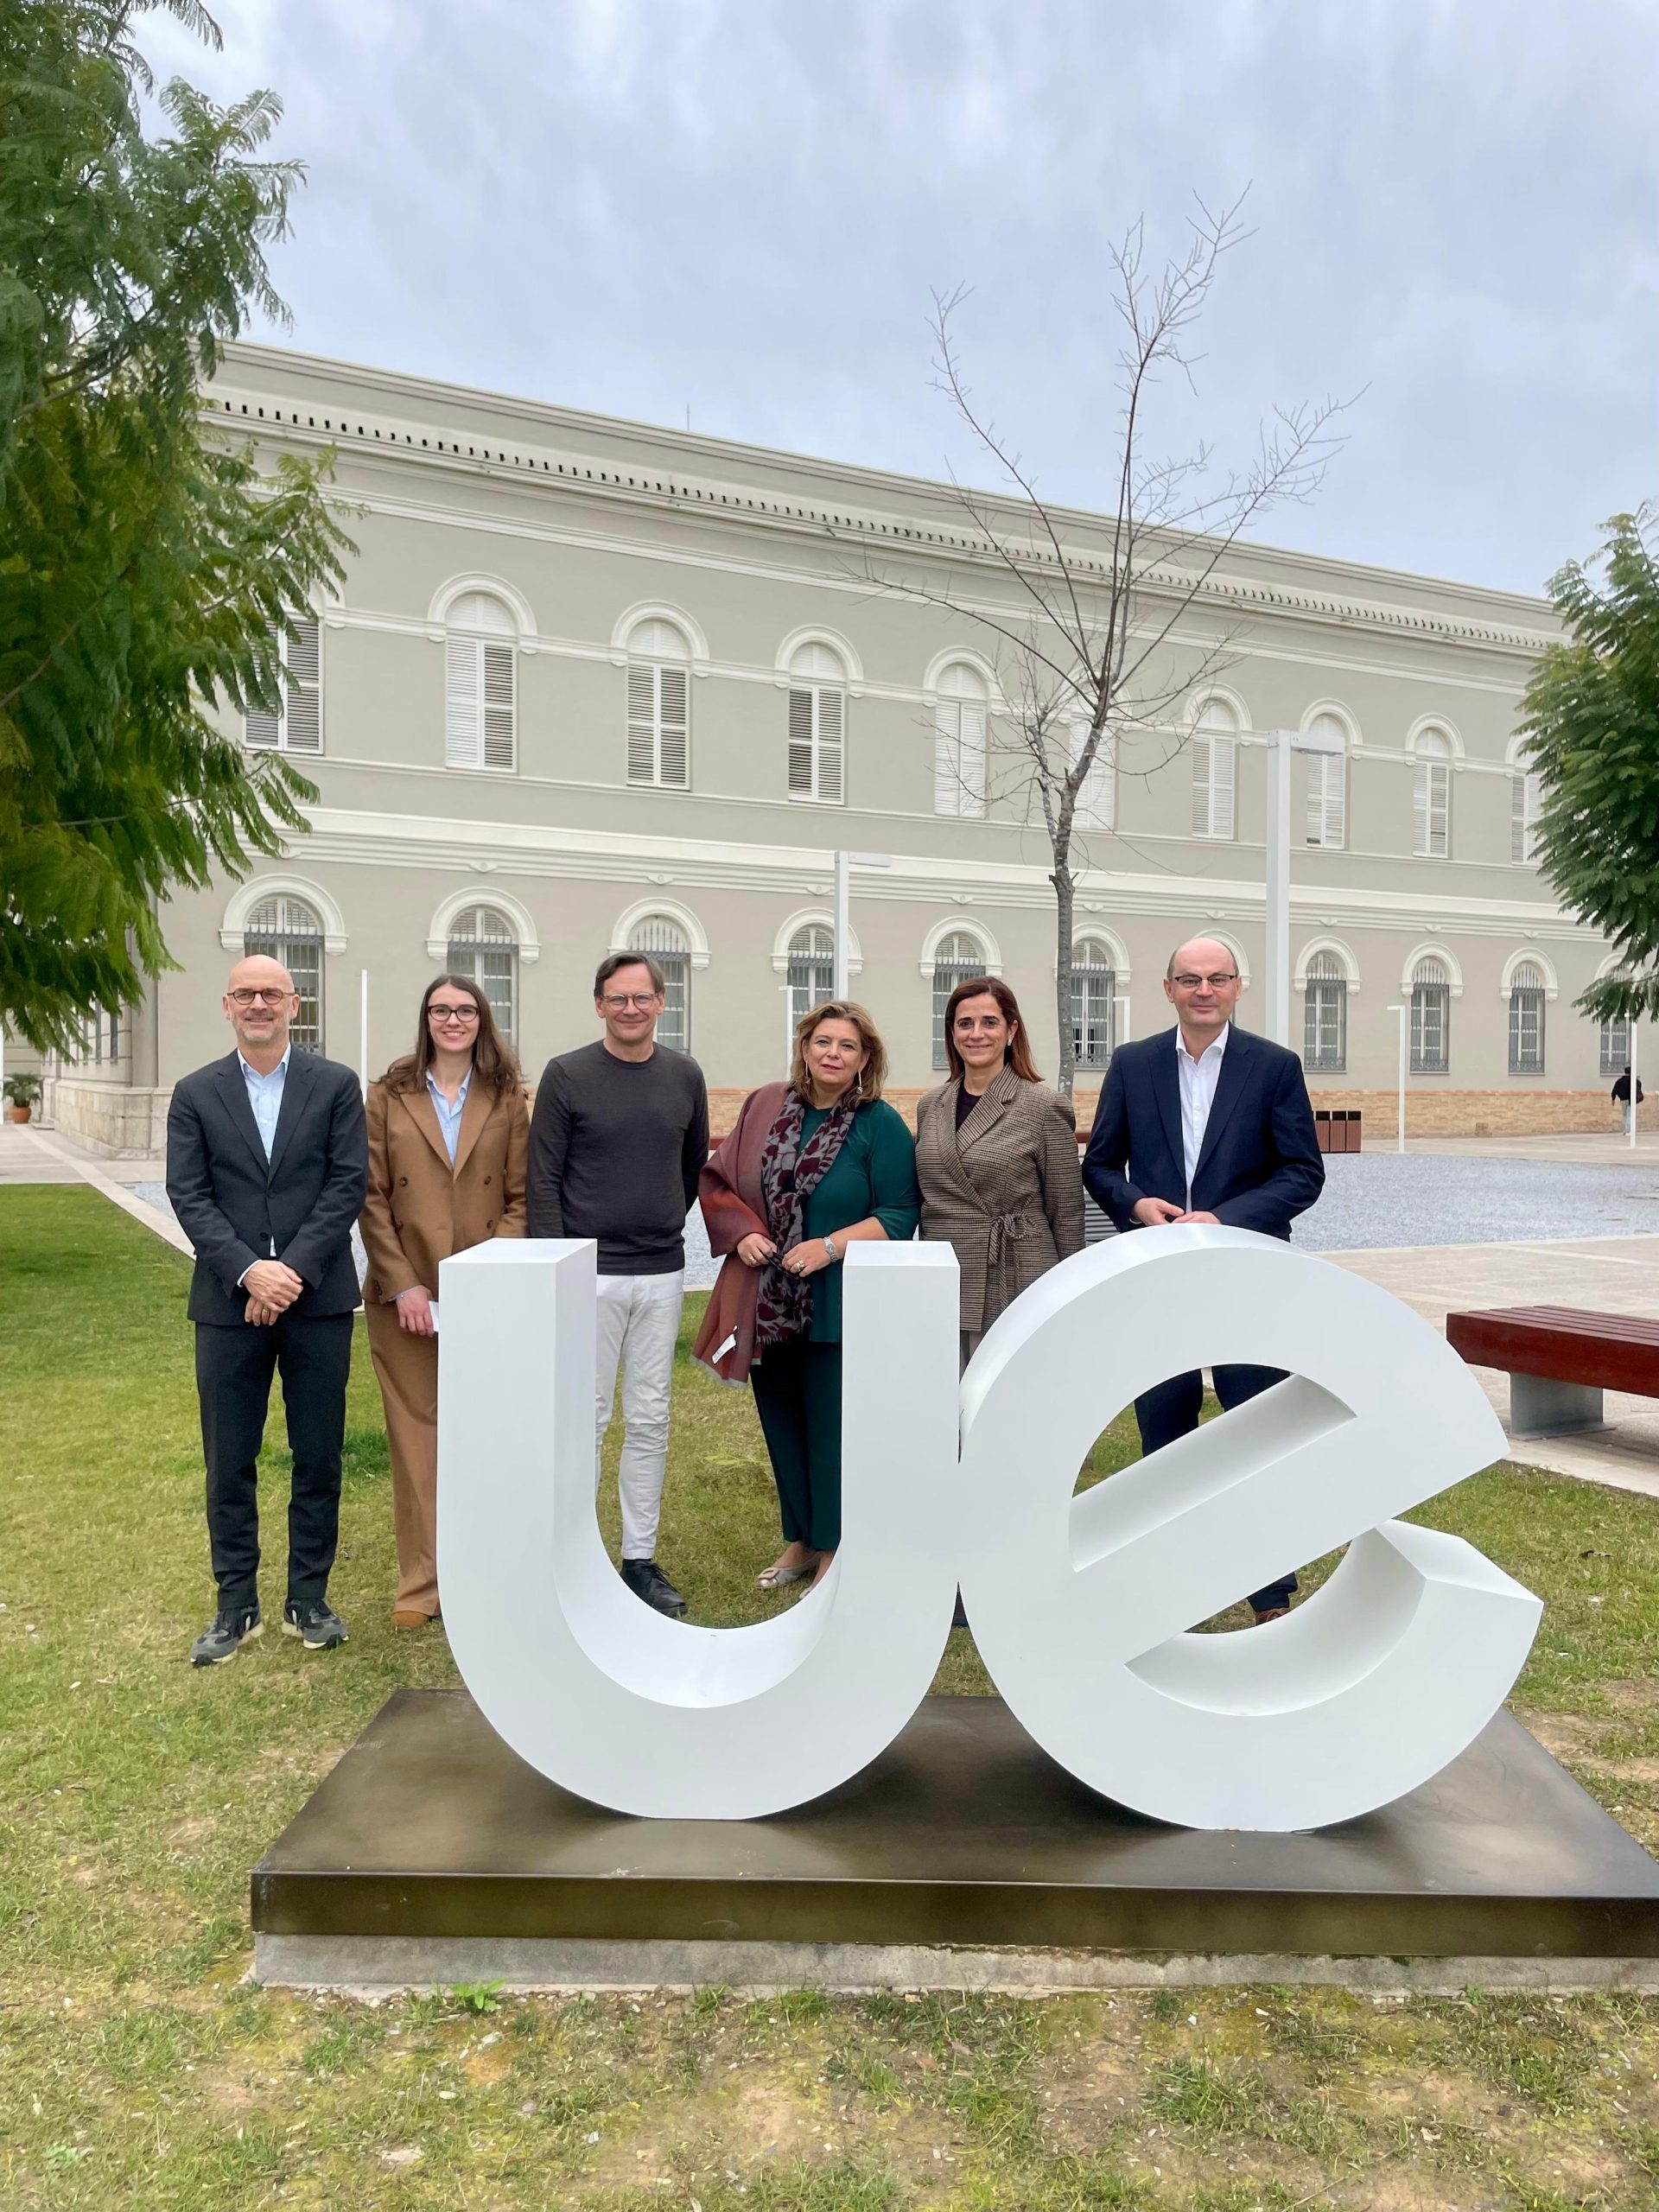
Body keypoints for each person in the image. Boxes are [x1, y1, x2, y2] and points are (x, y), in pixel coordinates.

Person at [1081, 937, 1325, 1624]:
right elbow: (1099, 1165)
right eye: (1189, 979)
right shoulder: (1132, 1066)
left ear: (1237, 987)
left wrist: (1226, 1218)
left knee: (1253, 1426)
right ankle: (1170, 1582)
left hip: (1244, 1270)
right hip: (1157, 1273)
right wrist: (1135, 1204)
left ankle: (1270, 1594)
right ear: (1168, 989)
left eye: (1217, 979)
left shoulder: (1274, 1068)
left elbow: (1303, 1173)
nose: (1204, 990)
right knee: (1165, 1422)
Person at [165, 955, 367, 1665]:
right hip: (228, 1304)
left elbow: (347, 1185)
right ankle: (235, 1605)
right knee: (229, 1461)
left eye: (271, 994)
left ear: (295, 1004)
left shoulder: (336, 1086)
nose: (259, 1004)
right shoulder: (195, 1093)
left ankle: (307, 1598)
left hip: (317, 1302)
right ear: (227, 1006)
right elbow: (188, 1195)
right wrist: (251, 1272)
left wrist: (290, 1274)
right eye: (246, 994)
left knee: (318, 1456)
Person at [694, 1001, 920, 1591]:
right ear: (804, 1047)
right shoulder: (766, 1105)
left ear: (864, 1059)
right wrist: (741, 1232)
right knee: (782, 1422)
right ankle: (800, 1539)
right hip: (767, 1299)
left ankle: (836, 1549)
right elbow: (718, 1181)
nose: (832, 1054)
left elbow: (899, 1212)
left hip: (839, 1299)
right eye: (823, 1041)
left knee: (831, 1430)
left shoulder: (879, 1124)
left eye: (847, 1046)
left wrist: (830, 1246)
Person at [527, 951, 709, 1617]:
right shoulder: (567, 1075)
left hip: (660, 1272)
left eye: (642, 998)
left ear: (662, 1002)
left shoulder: (683, 1075)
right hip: (589, 1276)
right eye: (617, 998)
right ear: (599, 1004)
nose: (630, 1009)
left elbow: (692, 1169)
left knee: (652, 1418)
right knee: (589, 1417)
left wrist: (658, 1222)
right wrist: (559, 1267)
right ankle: (573, 1555)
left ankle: (639, 1559)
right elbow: (542, 1178)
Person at [359, 976, 530, 1628]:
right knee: (415, 1439)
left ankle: (485, 1575)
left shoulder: (508, 1097)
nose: (452, 1020)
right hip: (404, 1294)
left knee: (485, 1438)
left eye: (464, 1010)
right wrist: (404, 1284)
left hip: (485, 1291)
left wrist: (482, 1278)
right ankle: (420, 1584)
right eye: (440, 1010)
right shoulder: (388, 1095)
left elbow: (520, 1201)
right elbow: (370, 1197)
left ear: (481, 1019)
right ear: (425, 1018)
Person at [915, 975, 1084, 1365]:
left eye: (989, 1022)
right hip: (944, 1275)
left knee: (1011, 1408)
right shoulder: (931, 1105)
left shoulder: (1043, 1106)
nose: (977, 1034)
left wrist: (1071, 1292)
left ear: (1011, 1030)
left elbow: (1067, 1213)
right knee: (942, 1408)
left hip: (1017, 1275)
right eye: (965, 1023)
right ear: (952, 1033)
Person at [1612, 1064, 1644, 1138]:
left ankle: (1626, 1130)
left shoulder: (1620, 1081)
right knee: (1630, 1115)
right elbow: (1639, 1084)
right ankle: (1629, 1130)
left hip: (1623, 1100)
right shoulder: (1633, 1080)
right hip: (1631, 1100)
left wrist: (1613, 1098)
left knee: (1625, 1115)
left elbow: (1615, 1089)